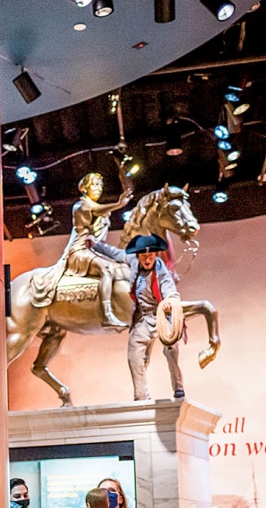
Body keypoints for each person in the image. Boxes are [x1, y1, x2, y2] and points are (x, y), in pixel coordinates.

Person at [88, 233, 183, 401]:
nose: (147, 260)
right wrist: (95, 244)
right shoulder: (133, 261)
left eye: (150, 256)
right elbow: (115, 253)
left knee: (171, 348)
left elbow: (170, 290)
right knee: (134, 352)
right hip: (144, 317)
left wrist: (169, 301)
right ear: (138, 256)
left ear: (155, 255)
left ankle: (178, 387)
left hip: (161, 314)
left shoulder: (160, 269)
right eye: (144, 256)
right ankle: (141, 395)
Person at [59, 170, 135, 327]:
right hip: (79, 251)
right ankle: (107, 314)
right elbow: (95, 211)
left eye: (100, 185)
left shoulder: (100, 208)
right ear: (85, 188)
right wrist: (118, 205)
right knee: (107, 269)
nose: (98, 188)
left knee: (122, 267)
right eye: (94, 185)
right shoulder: (80, 205)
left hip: (94, 250)